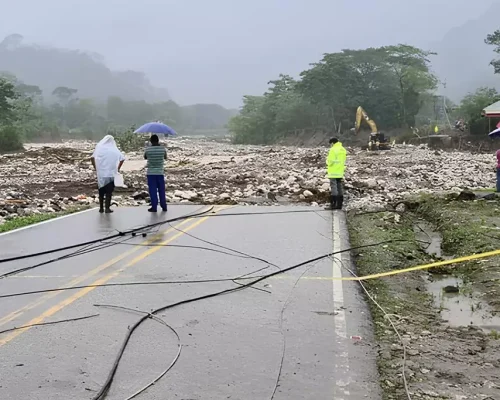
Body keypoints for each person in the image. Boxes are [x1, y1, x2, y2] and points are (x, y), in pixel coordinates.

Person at [91, 135, 125, 213]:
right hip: (111, 173)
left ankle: (101, 208)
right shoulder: (114, 149)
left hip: (101, 174)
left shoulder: (99, 149)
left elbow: (92, 158)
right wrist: (118, 168)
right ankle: (107, 208)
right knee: (109, 192)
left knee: (101, 191)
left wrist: (96, 168)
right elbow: (122, 158)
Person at [144, 134, 167, 212]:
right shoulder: (163, 149)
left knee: (153, 190)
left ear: (151, 141)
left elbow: (145, 157)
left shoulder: (148, 149)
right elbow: (165, 157)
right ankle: (164, 206)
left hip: (151, 173)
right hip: (160, 172)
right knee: (161, 190)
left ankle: (154, 207)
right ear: (158, 140)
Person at [325, 137, 347, 210]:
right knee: (339, 186)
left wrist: (327, 162)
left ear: (332, 143)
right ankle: (340, 204)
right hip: (340, 171)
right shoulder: (342, 149)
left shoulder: (333, 150)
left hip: (333, 171)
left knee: (334, 187)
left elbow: (330, 161)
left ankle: (333, 204)